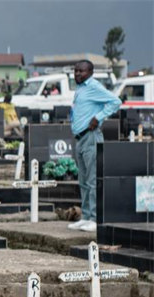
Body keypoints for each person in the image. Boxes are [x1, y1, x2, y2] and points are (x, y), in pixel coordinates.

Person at [67, 60, 121, 233]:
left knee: (92, 179)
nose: (77, 74)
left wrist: (98, 117)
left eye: (81, 71)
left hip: (91, 137)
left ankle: (95, 218)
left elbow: (115, 101)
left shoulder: (93, 86)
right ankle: (86, 216)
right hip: (80, 138)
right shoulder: (81, 88)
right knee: (83, 180)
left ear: (90, 72)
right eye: (75, 71)